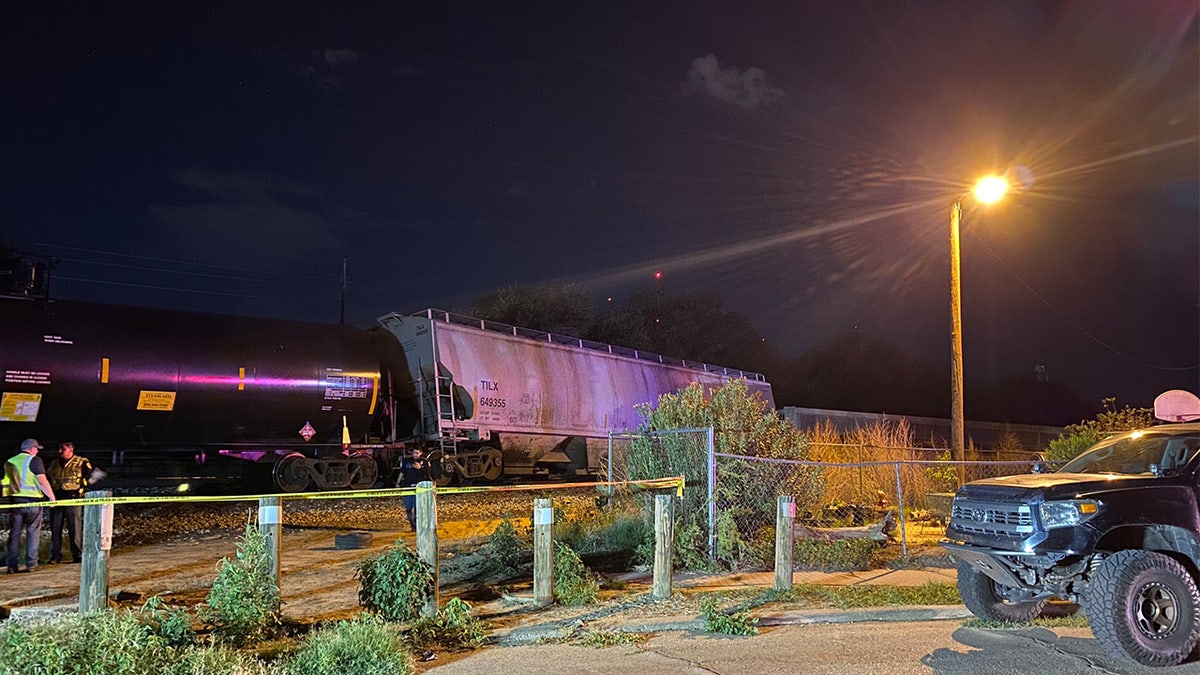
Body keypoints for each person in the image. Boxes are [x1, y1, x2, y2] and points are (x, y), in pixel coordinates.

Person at [5, 438, 56, 573]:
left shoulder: (10, 461)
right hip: (33, 502)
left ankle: (11, 565)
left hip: (15, 502)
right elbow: (42, 481)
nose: (37, 452)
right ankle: (31, 564)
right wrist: (51, 497)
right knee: (33, 532)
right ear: (32, 449)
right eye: (37, 449)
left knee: (14, 534)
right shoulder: (34, 460)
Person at [45, 441, 98, 564]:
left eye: (62, 449)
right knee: (55, 528)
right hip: (57, 498)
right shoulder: (54, 463)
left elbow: (92, 476)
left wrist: (84, 489)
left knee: (74, 528)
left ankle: (77, 554)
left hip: (73, 498)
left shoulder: (82, 462)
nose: (59, 451)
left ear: (71, 449)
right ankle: (55, 555)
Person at [399, 448, 429, 529]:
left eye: (417, 453)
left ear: (421, 453)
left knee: (417, 507)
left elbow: (429, 473)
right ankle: (411, 523)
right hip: (407, 487)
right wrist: (398, 483)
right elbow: (402, 472)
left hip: (419, 488)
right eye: (414, 452)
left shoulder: (424, 462)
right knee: (408, 507)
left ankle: (416, 525)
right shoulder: (407, 461)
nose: (415, 454)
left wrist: (421, 468)